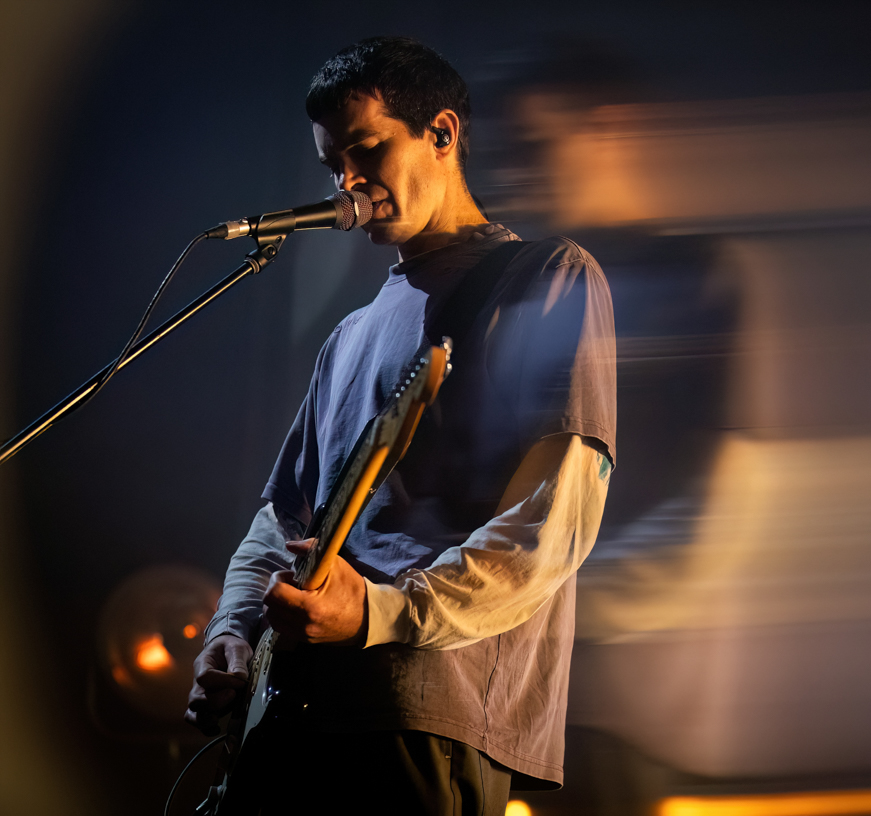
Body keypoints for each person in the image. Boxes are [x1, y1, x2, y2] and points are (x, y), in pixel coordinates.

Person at [184, 36, 616, 815]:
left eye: (366, 150)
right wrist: (232, 631)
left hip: (423, 716)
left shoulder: (544, 280)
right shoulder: (349, 334)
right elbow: (282, 518)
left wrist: (380, 612)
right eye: (332, 164)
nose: (347, 182)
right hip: (288, 715)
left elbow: (552, 525)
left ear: (441, 133)